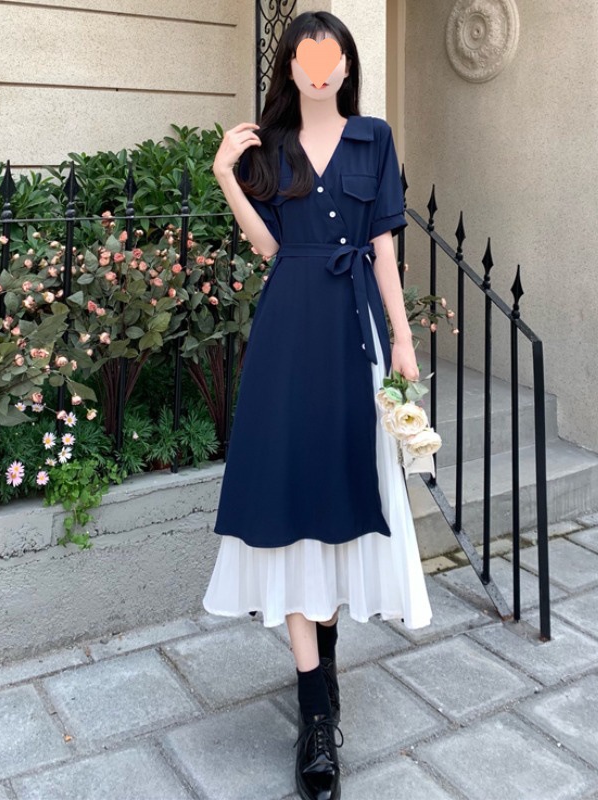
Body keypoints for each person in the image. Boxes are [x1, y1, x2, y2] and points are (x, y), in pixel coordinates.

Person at [204, 10, 432, 799]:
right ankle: (314, 715)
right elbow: (269, 246)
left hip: (351, 333)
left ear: (346, 67)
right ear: (290, 69)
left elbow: (383, 247)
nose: (319, 71)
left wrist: (401, 338)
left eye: (331, 59)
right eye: (306, 59)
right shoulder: (271, 147)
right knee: (289, 498)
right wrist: (226, 175)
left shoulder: (374, 139)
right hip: (287, 335)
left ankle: (325, 664)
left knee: (343, 490)